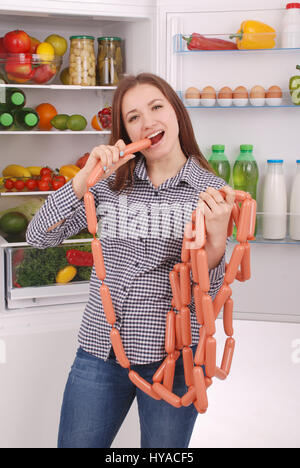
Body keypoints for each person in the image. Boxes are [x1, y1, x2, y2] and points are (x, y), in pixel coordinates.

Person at [26, 73, 235, 448]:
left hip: (173, 363)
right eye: (133, 116)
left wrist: (217, 241)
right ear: (124, 130)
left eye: (156, 107)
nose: (147, 122)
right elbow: (39, 236)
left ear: (176, 115)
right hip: (99, 353)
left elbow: (208, 300)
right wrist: (80, 183)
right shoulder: (108, 182)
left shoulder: (210, 192)